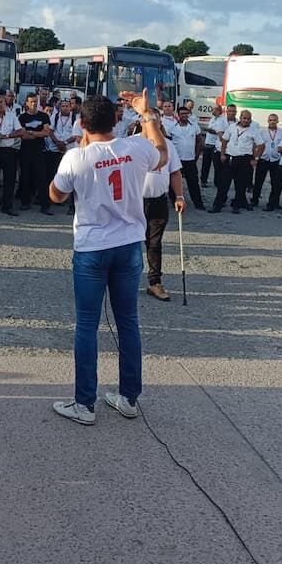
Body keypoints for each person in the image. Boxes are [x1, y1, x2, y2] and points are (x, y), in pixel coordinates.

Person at [49, 92, 168, 425]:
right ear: (116, 121)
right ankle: (128, 397)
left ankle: (84, 404)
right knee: (128, 320)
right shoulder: (136, 147)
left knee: (87, 324)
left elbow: (56, 196)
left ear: (82, 124)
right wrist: (148, 117)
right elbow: (162, 153)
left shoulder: (76, 157)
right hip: (129, 245)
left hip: (92, 247)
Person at [136, 122, 184, 302]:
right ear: (142, 123)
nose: (152, 124)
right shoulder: (130, 143)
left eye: (156, 121)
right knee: (130, 242)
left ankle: (155, 282)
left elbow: (175, 173)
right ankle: (123, 281)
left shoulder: (168, 145)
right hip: (134, 202)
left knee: (154, 243)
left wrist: (179, 196)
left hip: (158, 201)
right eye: (149, 120)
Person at [215, 109, 262, 213]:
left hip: (244, 159)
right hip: (230, 157)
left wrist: (256, 159)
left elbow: (261, 145)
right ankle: (217, 205)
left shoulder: (254, 131)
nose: (246, 120)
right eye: (244, 118)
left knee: (241, 185)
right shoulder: (232, 127)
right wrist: (222, 154)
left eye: (248, 119)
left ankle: (237, 206)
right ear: (240, 117)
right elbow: (224, 140)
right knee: (224, 183)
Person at [17, 93, 53, 214]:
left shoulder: (44, 116)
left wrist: (31, 132)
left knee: (42, 178)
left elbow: (46, 132)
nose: (34, 104)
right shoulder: (22, 118)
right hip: (25, 151)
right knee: (25, 177)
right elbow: (23, 135)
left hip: (39, 151)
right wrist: (37, 133)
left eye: (35, 102)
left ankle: (45, 205)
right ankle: (25, 202)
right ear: (26, 103)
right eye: (31, 102)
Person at [170, 106, 204, 209]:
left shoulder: (194, 126)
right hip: (177, 160)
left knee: (193, 183)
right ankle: (175, 202)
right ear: (178, 115)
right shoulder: (172, 128)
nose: (184, 115)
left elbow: (199, 141)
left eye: (186, 113)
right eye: (182, 114)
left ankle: (198, 204)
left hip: (190, 159)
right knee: (174, 182)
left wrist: (196, 156)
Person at [252, 113, 282, 208]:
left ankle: (273, 202)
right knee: (258, 181)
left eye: (274, 120)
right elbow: (256, 145)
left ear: (277, 121)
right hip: (263, 159)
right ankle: (254, 200)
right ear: (268, 121)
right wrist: (255, 157)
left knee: (276, 183)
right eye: (270, 120)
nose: (272, 122)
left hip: (275, 160)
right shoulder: (262, 132)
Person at [200, 102, 223, 187]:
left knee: (217, 165)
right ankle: (203, 180)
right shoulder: (213, 118)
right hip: (208, 143)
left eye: (215, 109)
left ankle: (217, 182)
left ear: (219, 111)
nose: (212, 110)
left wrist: (210, 130)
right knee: (205, 164)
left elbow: (220, 132)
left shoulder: (222, 120)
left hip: (215, 145)